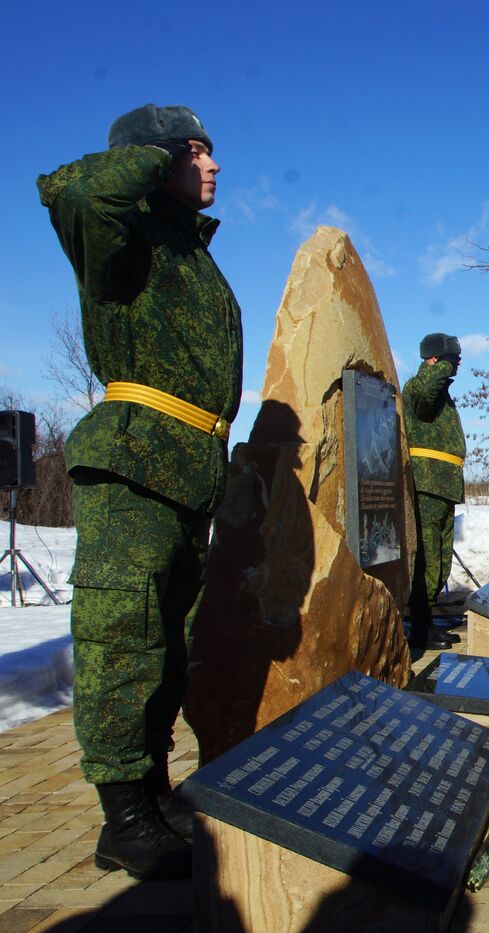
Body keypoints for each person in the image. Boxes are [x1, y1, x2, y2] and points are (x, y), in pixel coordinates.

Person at [37, 104, 241, 879]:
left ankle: (148, 798)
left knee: (169, 644)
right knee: (122, 636)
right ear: (157, 162)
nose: (214, 165)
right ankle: (123, 813)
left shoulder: (187, 250)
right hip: (134, 461)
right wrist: (153, 157)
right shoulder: (117, 233)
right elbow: (77, 191)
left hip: (187, 468)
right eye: (197, 152)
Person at [404, 334, 467, 657]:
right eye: (451, 358)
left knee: (440, 558)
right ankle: (420, 626)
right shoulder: (419, 388)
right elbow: (425, 395)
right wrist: (440, 368)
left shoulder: (441, 391)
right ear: (434, 360)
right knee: (427, 558)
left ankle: (427, 621)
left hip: (443, 486)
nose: (457, 363)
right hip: (427, 484)